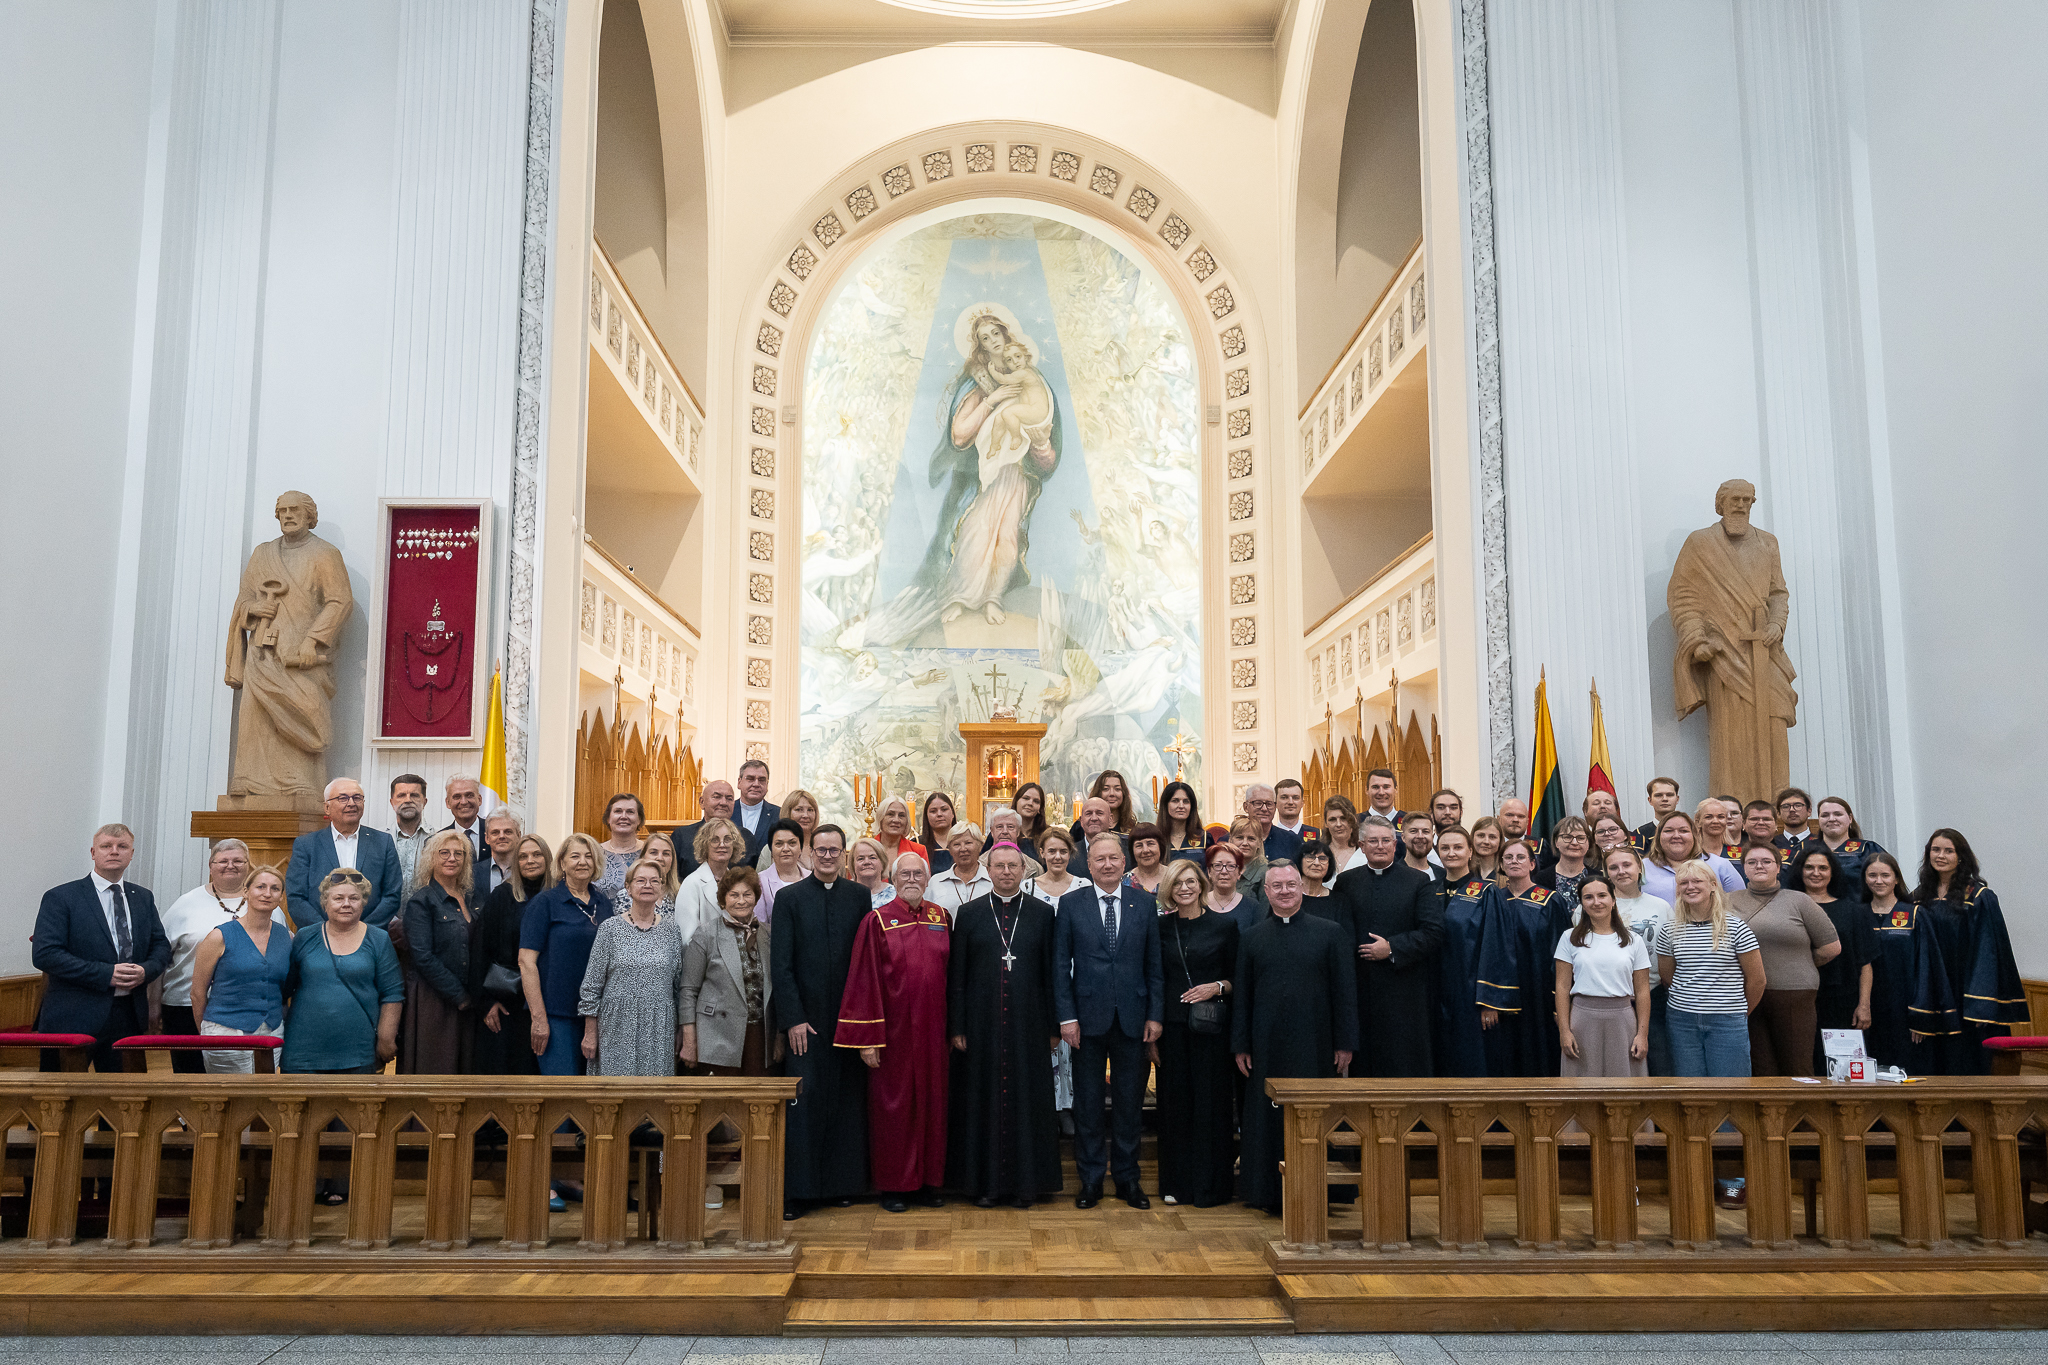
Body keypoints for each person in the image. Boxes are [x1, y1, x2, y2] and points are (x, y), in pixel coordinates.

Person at [1233, 862, 1357, 1216]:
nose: (1285, 891)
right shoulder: (1252, 937)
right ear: (1266, 891)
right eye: (1277, 886)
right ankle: (1266, 1191)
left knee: (1317, 1115)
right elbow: (1243, 996)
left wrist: (1345, 1042)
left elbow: (1345, 992)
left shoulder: (1330, 932)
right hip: (1265, 1045)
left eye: (1291, 884)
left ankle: (1321, 1190)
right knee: (1267, 1116)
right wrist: (1241, 1044)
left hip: (1316, 1045)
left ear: (1301, 887)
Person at [947, 843, 1061, 1209]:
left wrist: (1053, 1027)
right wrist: (958, 1026)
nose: (1007, 872)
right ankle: (986, 1185)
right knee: (982, 1101)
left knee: (1028, 1102)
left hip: (1030, 1026)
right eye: (1000, 866)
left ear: (1024, 870)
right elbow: (957, 976)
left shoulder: (1043, 914)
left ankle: (1028, 1186)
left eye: (1013, 866)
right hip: (981, 1027)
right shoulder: (969, 914)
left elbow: (1052, 974)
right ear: (989, 870)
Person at [838, 854, 953, 1213]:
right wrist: (868, 1039)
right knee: (894, 1110)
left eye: (919, 873)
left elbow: (953, 977)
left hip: (934, 1033)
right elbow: (864, 979)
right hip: (894, 1035)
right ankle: (894, 1186)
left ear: (928, 879)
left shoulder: (941, 918)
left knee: (933, 1106)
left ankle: (929, 1182)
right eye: (905, 874)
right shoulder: (877, 921)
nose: (912, 879)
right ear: (893, 878)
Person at [1055, 833, 1164, 1210]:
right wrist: (1066, 1017)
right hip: (1085, 1021)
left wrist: (1155, 1015)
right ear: (1089, 865)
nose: (1106, 865)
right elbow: (1060, 966)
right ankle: (1090, 1180)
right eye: (1099, 859)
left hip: (1133, 1019)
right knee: (1087, 1105)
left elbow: (1154, 965)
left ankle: (1127, 1178)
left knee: (1129, 1104)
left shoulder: (1144, 903)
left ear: (1124, 862)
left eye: (1113, 858)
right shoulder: (1071, 904)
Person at [769, 825, 872, 1219]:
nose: (828, 856)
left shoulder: (858, 896)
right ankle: (799, 1192)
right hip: (806, 1022)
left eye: (835, 850)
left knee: (846, 1100)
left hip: (848, 1019)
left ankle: (841, 1185)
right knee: (805, 1102)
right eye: (821, 850)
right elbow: (781, 964)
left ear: (844, 855)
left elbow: (865, 959)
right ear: (809, 853)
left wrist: (862, 1017)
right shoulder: (789, 898)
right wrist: (793, 1019)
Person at [33, 824, 173, 1072]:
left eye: (122, 846)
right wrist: (106, 974)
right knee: (63, 1092)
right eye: (106, 846)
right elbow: (46, 954)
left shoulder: (142, 897)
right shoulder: (62, 897)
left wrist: (145, 971)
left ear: (131, 854)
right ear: (93, 852)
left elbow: (161, 946)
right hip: (72, 1016)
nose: (114, 851)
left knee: (125, 1093)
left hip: (128, 1015)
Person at [1150, 857, 1239, 1209]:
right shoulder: (1159, 927)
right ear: (1168, 889)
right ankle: (1176, 1185)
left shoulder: (1224, 926)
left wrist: (1215, 986)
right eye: (1177, 883)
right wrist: (1152, 1032)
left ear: (1202, 884)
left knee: (1211, 1106)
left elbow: (1238, 979)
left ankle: (1210, 1187)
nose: (1184, 888)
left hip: (1210, 1030)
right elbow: (1152, 979)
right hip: (1171, 1030)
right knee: (1174, 1107)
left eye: (1190, 881)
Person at [1909, 828, 2027, 1075]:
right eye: (1935, 850)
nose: (1941, 856)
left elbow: (1989, 951)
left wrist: (1982, 1004)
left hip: (1967, 991)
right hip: (1933, 988)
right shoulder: (1918, 897)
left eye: (1948, 851)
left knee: (1968, 1060)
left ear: (1961, 857)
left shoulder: (1978, 896)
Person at [1333, 816, 1442, 1077]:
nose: (1380, 846)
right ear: (1362, 846)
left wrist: (1392, 948)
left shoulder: (1419, 881)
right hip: (1361, 990)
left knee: (1404, 1065)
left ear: (1395, 844)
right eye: (1373, 841)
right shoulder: (1346, 882)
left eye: (1385, 840)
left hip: (1404, 991)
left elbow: (1433, 932)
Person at [1729, 842, 1840, 1076]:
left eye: (1766, 861)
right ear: (1743, 868)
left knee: (1796, 1067)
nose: (1759, 866)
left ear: (1778, 867)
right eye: (1752, 862)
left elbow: (1831, 947)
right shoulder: (1727, 901)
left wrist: (1799, 961)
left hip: (1793, 994)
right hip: (1745, 995)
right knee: (1760, 1069)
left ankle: (1803, 1103)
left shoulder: (1800, 901)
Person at [281, 869, 404, 1074]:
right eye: (338, 898)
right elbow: (285, 989)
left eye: (354, 898)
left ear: (363, 902)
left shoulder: (379, 939)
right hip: (302, 1053)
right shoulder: (304, 937)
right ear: (325, 903)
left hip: (359, 1053)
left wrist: (386, 1039)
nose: (346, 904)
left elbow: (392, 994)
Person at [1656, 861, 1766, 1078]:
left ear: (1713, 885)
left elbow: (1757, 980)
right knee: (1689, 1087)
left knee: (1730, 1087)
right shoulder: (1669, 930)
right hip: (1682, 1020)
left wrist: (1736, 1011)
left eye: (1697, 881)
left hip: (1727, 1020)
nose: (1690, 887)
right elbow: (1667, 976)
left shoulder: (1736, 928)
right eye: (1683, 883)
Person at [578, 857, 686, 1077]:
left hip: (659, 1026)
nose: (648, 885)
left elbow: (677, 986)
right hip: (617, 1024)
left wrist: (680, 1029)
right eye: (640, 880)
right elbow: (592, 985)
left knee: (654, 1092)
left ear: (662, 887)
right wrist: (590, 1032)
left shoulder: (672, 931)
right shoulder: (609, 929)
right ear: (628, 888)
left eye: (654, 881)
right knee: (615, 1091)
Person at [158, 838, 258, 1072]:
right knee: (190, 1075)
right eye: (222, 861)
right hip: (184, 1005)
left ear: (248, 866)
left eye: (238, 861)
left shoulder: (262, 902)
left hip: (244, 1007)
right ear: (211, 866)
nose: (230, 865)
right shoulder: (185, 904)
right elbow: (160, 955)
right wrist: (153, 1004)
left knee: (238, 1077)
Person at [519, 833, 615, 1076]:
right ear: (562, 863)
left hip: (598, 1015)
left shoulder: (604, 904)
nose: (582, 862)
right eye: (575, 856)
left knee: (596, 1091)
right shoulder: (545, 903)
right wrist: (539, 1019)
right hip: (556, 1016)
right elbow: (526, 962)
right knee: (562, 1091)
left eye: (588, 856)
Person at [187, 863, 292, 1073]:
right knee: (229, 1092)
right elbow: (197, 993)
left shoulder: (287, 937)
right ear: (246, 891)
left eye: (275, 889)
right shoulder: (219, 936)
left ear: (281, 897)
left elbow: (286, 988)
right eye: (260, 887)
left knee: (266, 1090)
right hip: (225, 1032)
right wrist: (207, 1033)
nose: (267, 893)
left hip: (272, 1032)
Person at [1482, 840, 1569, 1078]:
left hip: (1540, 993)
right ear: (1501, 865)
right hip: (1503, 995)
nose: (1514, 862)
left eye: (1520, 857)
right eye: (1508, 858)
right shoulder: (1493, 899)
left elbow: (1562, 954)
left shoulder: (1550, 900)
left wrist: (1559, 1000)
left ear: (1532, 864)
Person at [681, 866, 777, 1081]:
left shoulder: (769, 935)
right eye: (734, 895)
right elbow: (688, 991)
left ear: (756, 898)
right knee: (720, 1101)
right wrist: (689, 1040)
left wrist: (778, 1037)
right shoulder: (706, 933)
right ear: (723, 900)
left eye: (747, 894)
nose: (741, 901)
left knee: (757, 1100)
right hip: (717, 1036)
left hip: (760, 1038)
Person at [1554, 874, 1652, 1078]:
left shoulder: (1633, 940)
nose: (1596, 902)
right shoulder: (1569, 938)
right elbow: (1562, 988)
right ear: (1582, 903)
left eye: (1602, 895)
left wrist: (1642, 1035)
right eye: (1588, 897)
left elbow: (1643, 991)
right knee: (1582, 1083)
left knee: (1623, 1084)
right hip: (1582, 1018)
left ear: (1613, 900)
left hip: (1622, 1019)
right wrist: (1564, 1031)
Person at [400, 828, 480, 1074]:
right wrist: (459, 995)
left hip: (467, 1000)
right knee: (436, 1070)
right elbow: (423, 957)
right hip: (434, 1001)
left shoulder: (471, 899)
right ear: (431, 858)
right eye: (444, 853)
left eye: (459, 853)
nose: (452, 858)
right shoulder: (421, 901)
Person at [471, 833, 550, 1075]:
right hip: (508, 1002)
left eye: (537, 854)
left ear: (548, 858)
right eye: (523, 856)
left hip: (549, 999)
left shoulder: (557, 896)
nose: (530, 861)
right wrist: (486, 1003)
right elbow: (481, 950)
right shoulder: (502, 896)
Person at [1432, 827, 1501, 1078]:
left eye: (1458, 847)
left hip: (1471, 994)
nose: (1451, 853)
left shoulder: (1486, 891)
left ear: (1470, 851)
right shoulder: (1429, 890)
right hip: (1435, 991)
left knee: (1470, 1060)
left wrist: (1489, 1000)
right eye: (1445, 848)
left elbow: (1494, 946)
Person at [286, 778, 402, 927]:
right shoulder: (306, 845)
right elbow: (296, 897)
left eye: (357, 797)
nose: (351, 803)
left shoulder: (383, 842)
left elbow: (392, 895)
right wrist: (326, 932)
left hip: (370, 935)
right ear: (327, 807)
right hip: (319, 935)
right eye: (343, 798)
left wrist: (364, 931)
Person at [1800, 844, 1875, 1072]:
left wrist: (1864, 1005)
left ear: (1832, 872)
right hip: (1799, 999)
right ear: (1800, 871)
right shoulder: (1788, 906)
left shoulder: (1853, 911)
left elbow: (1865, 963)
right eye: (1809, 867)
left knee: (1844, 1070)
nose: (1816, 873)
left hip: (1842, 1001)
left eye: (1823, 868)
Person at [1604, 845, 1673, 1075]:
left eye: (1627, 865)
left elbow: (1672, 951)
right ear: (1606, 873)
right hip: (1611, 996)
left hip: (1654, 994)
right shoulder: (1595, 906)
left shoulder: (1660, 906)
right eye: (1613, 867)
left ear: (1640, 868)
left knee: (1659, 1062)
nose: (1621, 871)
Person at [1861, 853, 1918, 1070]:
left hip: (1904, 1006)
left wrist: (1920, 1012)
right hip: (1867, 1006)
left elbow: (1925, 966)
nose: (1879, 881)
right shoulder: (1857, 914)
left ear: (1896, 879)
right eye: (1872, 875)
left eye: (1885, 875)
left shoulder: (1915, 914)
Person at [1783, 797, 1886, 902]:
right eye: (1825, 815)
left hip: (1857, 910)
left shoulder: (1868, 849)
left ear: (1850, 818)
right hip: (1810, 910)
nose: (1831, 819)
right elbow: (1787, 885)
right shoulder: (1802, 849)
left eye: (1838, 814)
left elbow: (1887, 884)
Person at [1643, 812, 1742, 904]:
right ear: (1658, 837)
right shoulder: (1642, 867)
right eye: (1669, 831)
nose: (1676, 836)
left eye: (1684, 831)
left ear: (1694, 836)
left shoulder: (1721, 865)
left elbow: (1740, 905)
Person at [678, 817, 745, 942]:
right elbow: (687, 936)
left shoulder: (738, 883)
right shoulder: (692, 883)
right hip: (704, 953)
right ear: (705, 845)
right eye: (715, 840)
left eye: (727, 839)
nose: (722, 844)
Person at [676, 779, 758, 879]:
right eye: (716, 797)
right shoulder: (681, 836)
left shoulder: (746, 837)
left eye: (729, 798)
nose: (723, 803)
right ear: (702, 802)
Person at [927, 823, 992, 922]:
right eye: (956, 844)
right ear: (950, 850)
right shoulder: (935, 882)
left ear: (980, 846)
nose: (963, 849)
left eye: (968, 843)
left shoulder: (993, 879)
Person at [594, 792, 647, 904]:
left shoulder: (649, 852)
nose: (623, 816)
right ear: (608, 818)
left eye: (630, 812)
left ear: (639, 819)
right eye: (618, 811)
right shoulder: (594, 853)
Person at [1537, 817, 1594, 912]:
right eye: (1567, 837)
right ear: (1556, 842)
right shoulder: (1540, 879)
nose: (1574, 842)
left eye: (1581, 838)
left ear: (1588, 843)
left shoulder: (1598, 877)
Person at [756, 788, 821, 872]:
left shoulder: (822, 845)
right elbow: (760, 878)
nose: (805, 815)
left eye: (810, 810)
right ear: (787, 812)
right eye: (799, 809)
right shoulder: (770, 849)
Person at [757, 819, 809, 921]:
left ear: (801, 848)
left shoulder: (812, 878)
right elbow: (760, 924)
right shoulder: (760, 881)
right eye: (779, 844)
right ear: (771, 850)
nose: (785, 849)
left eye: (792, 843)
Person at [388, 773, 433, 890]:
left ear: (425, 802)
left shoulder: (438, 837)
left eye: (414, 795)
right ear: (392, 802)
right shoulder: (378, 839)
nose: (408, 800)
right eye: (401, 795)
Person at [1203, 843, 1262, 928]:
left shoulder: (1253, 907)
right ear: (1209, 872)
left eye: (1231, 866)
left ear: (1240, 872)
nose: (1224, 871)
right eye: (1218, 865)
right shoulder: (1198, 904)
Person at [1241, 784, 1300, 864]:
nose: (1264, 809)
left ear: (1275, 807)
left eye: (1269, 804)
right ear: (1246, 807)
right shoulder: (1231, 841)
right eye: (1258, 803)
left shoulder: (1291, 840)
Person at [1021, 827, 1079, 905]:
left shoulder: (1082, 886)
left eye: (1063, 851)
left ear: (1070, 853)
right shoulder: (1028, 888)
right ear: (1042, 853)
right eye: (1052, 851)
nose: (1058, 857)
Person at [438, 776, 489, 861]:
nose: (464, 802)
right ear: (448, 803)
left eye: (469, 795)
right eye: (457, 797)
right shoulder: (437, 841)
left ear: (479, 800)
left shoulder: (496, 833)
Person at [1155, 781, 1208, 863]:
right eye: (1175, 801)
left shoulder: (1204, 838)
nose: (1181, 806)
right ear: (1165, 805)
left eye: (1186, 801)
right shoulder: (1156, 839)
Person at [475, 811, 523, 899]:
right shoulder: (473, 873)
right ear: (487, 838)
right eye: (495, 832)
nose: (501, 836)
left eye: (508, 832)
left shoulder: (526, 870)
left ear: (519, 836)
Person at [733, 759, 780, 847]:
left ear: (767, 784)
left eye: (762, 780)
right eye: (750, 779)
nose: (756, 784)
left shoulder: (779, 814)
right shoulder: (727, 811)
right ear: (739, 783)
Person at [874, 796, 929, 868]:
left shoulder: (918, 850)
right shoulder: (866, 849)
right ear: (880, 818)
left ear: (907, 821)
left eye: (901, 815)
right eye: (890, 814)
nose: (896, 820)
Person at [638, 830, 683, 917]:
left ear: (672, 860)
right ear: (643, 857)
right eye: (653, 853)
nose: (660, 858)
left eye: (666, 854)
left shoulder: (681, 894)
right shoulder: (626, 896)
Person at [1070, 796, 1127, 865]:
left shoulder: (1127, 852)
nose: (1094, 818)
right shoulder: (1070, 853)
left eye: (1099, 813)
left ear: (1110, 819)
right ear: (1081, 821)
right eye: (1088, 814)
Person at [1226, 816, 1271, 898]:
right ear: (1230, 840)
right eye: (1240, 838)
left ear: (1259, 843)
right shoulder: (1221, 868)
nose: (1245, 843)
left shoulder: (1266, 873)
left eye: (1251, 839)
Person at [1321, 796, 1366, 878]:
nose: (1338, 824)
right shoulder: (1319, 853)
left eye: (1343, 818)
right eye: (1332, 819)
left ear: (1353, 820)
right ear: (1326, 823)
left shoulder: (1365, 852)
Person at [919, 792, 960, 875]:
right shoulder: (917, 844)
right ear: (926, 816)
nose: (939, 814)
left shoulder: (964, 843)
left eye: (944, 810)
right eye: (933, 811)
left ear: (953, 813)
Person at [848, 836, 894, 909]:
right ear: (853, 864)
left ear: (883, 862)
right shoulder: (843, 893)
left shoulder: (895, 895)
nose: (866, 862)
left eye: (872, 857)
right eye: (860, 859)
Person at [1635, 777, 1681, 849]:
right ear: (1650, 800)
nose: (1665, 799)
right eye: (1658, 795)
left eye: (1669, 795)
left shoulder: (1691, 831)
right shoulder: (1640, 834)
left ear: (1677, 799)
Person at [1125, 823, 1168, 896]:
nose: (1145, 850)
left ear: (1160, 847)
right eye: (1139, 845)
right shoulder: (1124, 882)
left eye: (1150, 844)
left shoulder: (1175, 877)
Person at [1011, 782, 1051, 852]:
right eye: (1026, 798)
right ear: (1016, 802)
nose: (1030, 803)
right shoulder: (1002, 832)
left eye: (1036, 801)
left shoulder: (1048, 835)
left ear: (1040, 809)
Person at [1399, 812, 1438, 879]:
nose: (1420, 836)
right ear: (1403, 837)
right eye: (1413, 831)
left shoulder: (1443, 875)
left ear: (1432, 837)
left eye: (1425, 831)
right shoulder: (1392, 875)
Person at [1469, 816, 1506, 882]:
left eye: (1492, 837)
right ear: (1472, 838)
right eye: (1481, 836)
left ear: (1500, 841)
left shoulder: (1507, 873)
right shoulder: (1464, 871)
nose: (1486, 841)